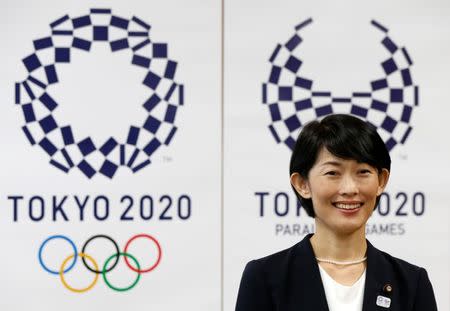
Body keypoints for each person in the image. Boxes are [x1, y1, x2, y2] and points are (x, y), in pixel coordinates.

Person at [235, 114, 437, 311]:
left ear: (381, 181)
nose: (349, 188)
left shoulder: (412, 283)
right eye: (332, 173)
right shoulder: (264, 277)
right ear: (302, 184)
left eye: (363, 172)